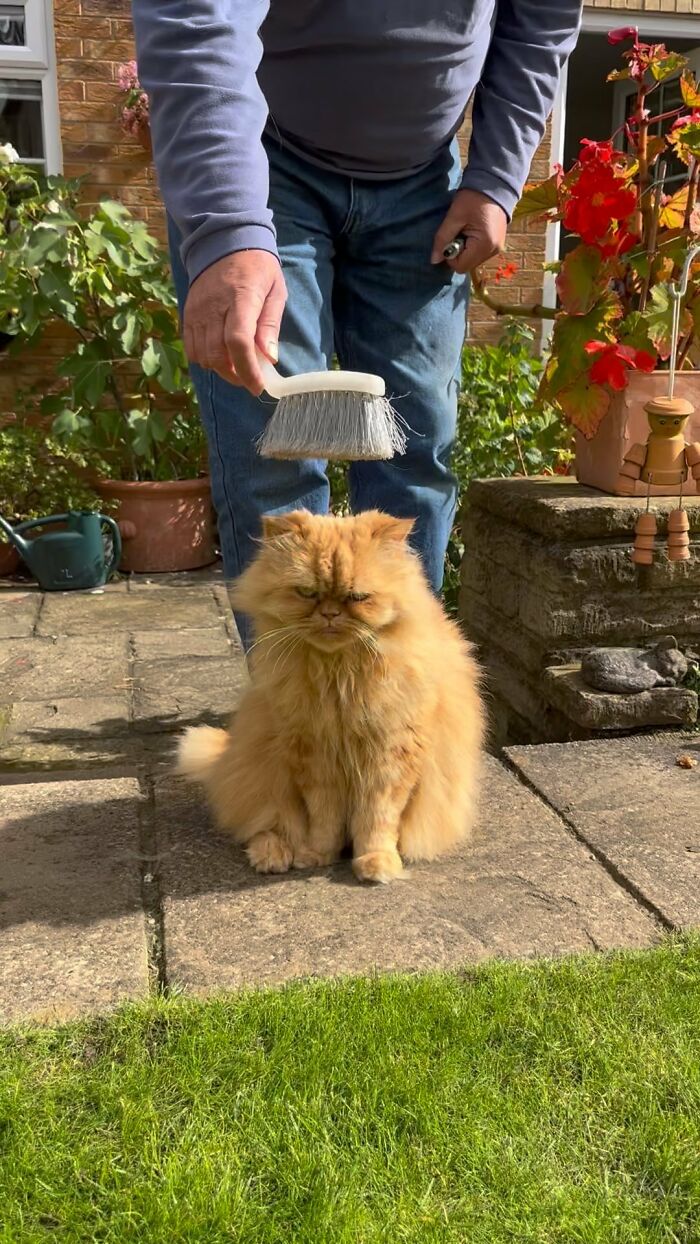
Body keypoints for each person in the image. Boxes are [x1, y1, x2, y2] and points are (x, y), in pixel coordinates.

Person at [132, 0, 582, 648]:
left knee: (416, 448)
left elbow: (540, 19)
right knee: (271, 450)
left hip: (426, 181)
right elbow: (198, 12)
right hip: (264, 163)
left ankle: (389, 709)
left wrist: (494, 179)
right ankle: (300, 724)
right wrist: (227, 225)